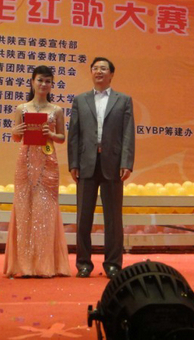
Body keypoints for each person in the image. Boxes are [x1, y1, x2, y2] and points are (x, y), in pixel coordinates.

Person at [68, 57, 135, 279]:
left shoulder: (123, 100)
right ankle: (83, 264)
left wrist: (126, 162)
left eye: (103, 68)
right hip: (86, 164)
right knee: (83, 218)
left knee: (113, 219)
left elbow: (128, 134)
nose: (99, 72)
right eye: (95, 68)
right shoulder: (80, 100)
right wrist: (73, 163)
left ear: (111, 74)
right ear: (91, 73)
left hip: (113, 165)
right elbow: (74, 134)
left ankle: (113, 264)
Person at [4, 65, 71, 278]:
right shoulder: (21, 109)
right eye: (40, 80)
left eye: (47, 81)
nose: (43, 84)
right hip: (25, 162)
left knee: (46, 210)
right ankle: (23, 265)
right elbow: (16, 137)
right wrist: (15, 131)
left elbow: (62, 138)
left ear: (52, 85)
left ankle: (45, 265)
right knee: (24, 209)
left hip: (48, 162)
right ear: (32, 82)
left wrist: (51, 134)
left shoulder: (56, 110)